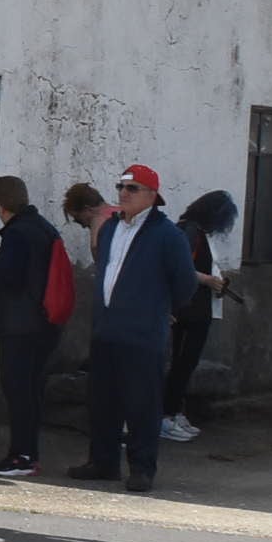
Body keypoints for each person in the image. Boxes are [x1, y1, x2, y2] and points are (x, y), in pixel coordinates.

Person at [72, 163, 197, 492]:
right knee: (102, 399)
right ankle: (103, 461)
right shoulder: (112, 228)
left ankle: (142, 467)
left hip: (143, 333)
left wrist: (159, 310)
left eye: (132, 189)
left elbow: (184, 284)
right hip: (107, 329)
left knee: (142, 402)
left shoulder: (168, 235)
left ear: (152, 196)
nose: (123, 194)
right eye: (121, 188)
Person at [0, 175, 67, 477]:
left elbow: (11, 276)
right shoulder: (43, 227)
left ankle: (22, 456)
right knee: (31, 391)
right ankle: (26, 451)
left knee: (19, 391)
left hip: (21, 327)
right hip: (44, 324)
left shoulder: (18, 234)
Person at [162, 189, 238, 442]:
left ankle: (174, 412)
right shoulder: (189, 232)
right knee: (182, 363)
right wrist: (208, 280)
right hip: (188, 311)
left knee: (187, 364)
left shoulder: (198, 233)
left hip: (199, 309)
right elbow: (178, 267)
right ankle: (166, 415)